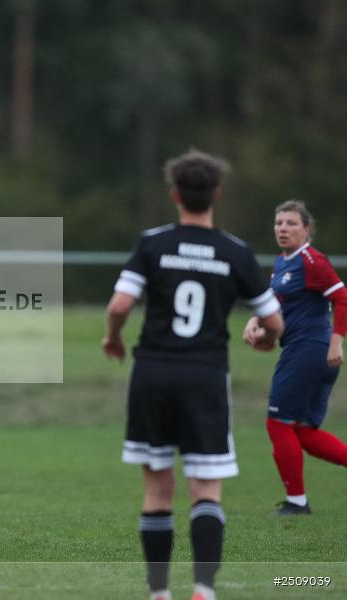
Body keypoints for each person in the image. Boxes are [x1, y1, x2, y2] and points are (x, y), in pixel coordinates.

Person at [102, 150, 283, 600]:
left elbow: (121, 305)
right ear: (215, 194)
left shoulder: (152, 242)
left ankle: (159, 592)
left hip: (154, 374)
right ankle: (203, 587)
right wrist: (265, 339)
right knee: (206, 488)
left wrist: (114, 338)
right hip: (205, 376)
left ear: (175, 194)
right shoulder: (235, 251)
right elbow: (273, 320)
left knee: (158, 487)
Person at [242, 200, 347, 516]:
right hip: (305, 351)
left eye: (290, 223)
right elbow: (276, 303)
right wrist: (256, 321)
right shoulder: (283, 262)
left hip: (309, 350)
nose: (283, 229)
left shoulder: (311, 261)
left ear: (306, 229)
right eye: (278, 223)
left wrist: (336, 343)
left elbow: (342, 298)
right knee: (301, 432)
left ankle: (297, 503)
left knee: (277, 424)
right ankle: (297, 500)